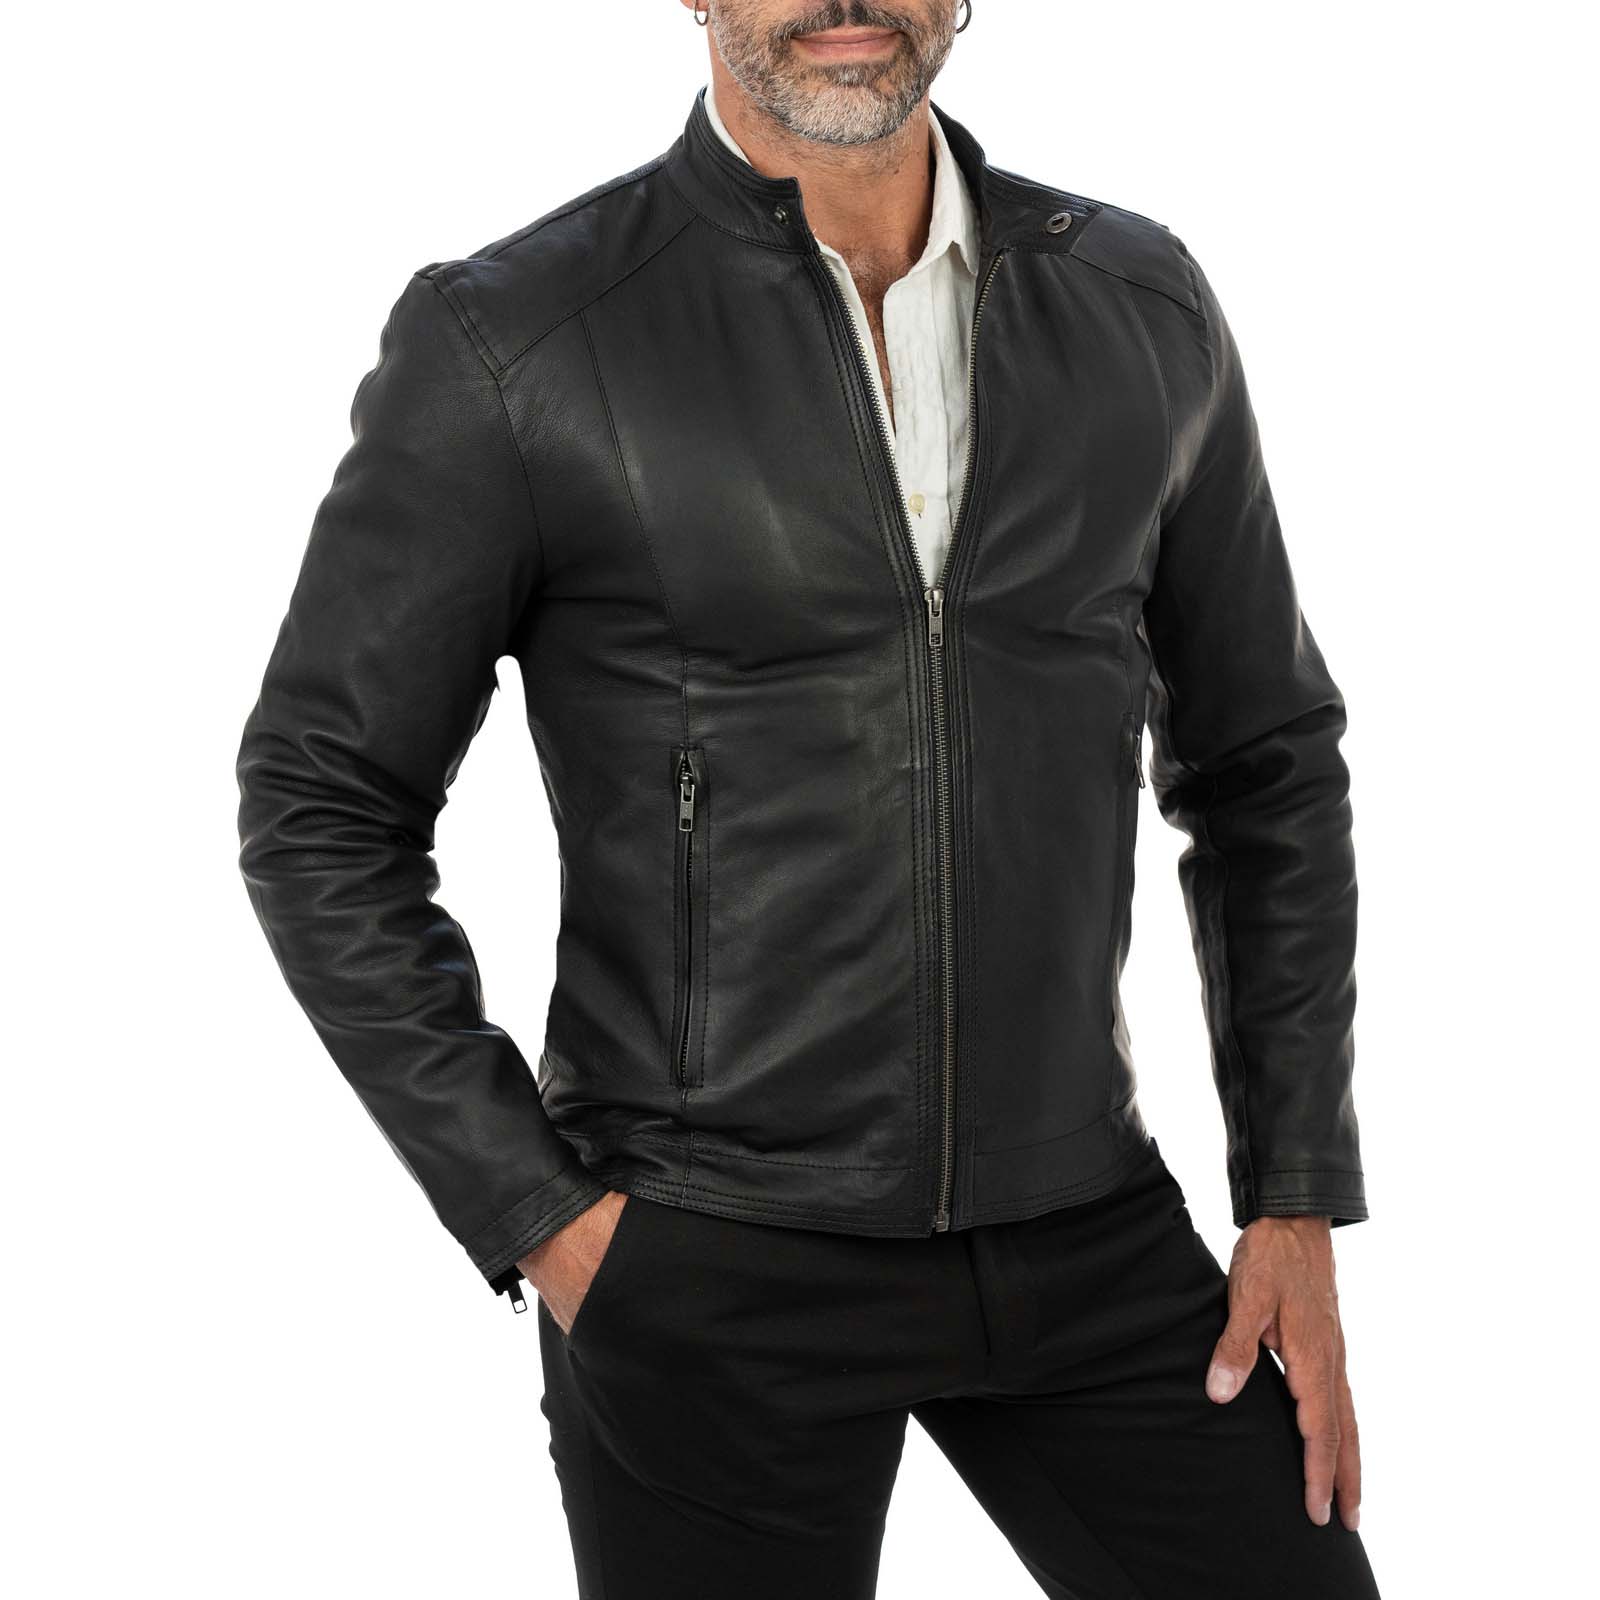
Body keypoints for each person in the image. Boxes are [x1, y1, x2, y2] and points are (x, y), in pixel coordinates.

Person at [235, 3, 1380, 1594]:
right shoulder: (523, 336)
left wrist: (1295, 1194)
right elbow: (320, 797)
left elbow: (1263, 759)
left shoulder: (1136, 302)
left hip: (1082, 1220)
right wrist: (543, 1218)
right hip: (707, 1251)